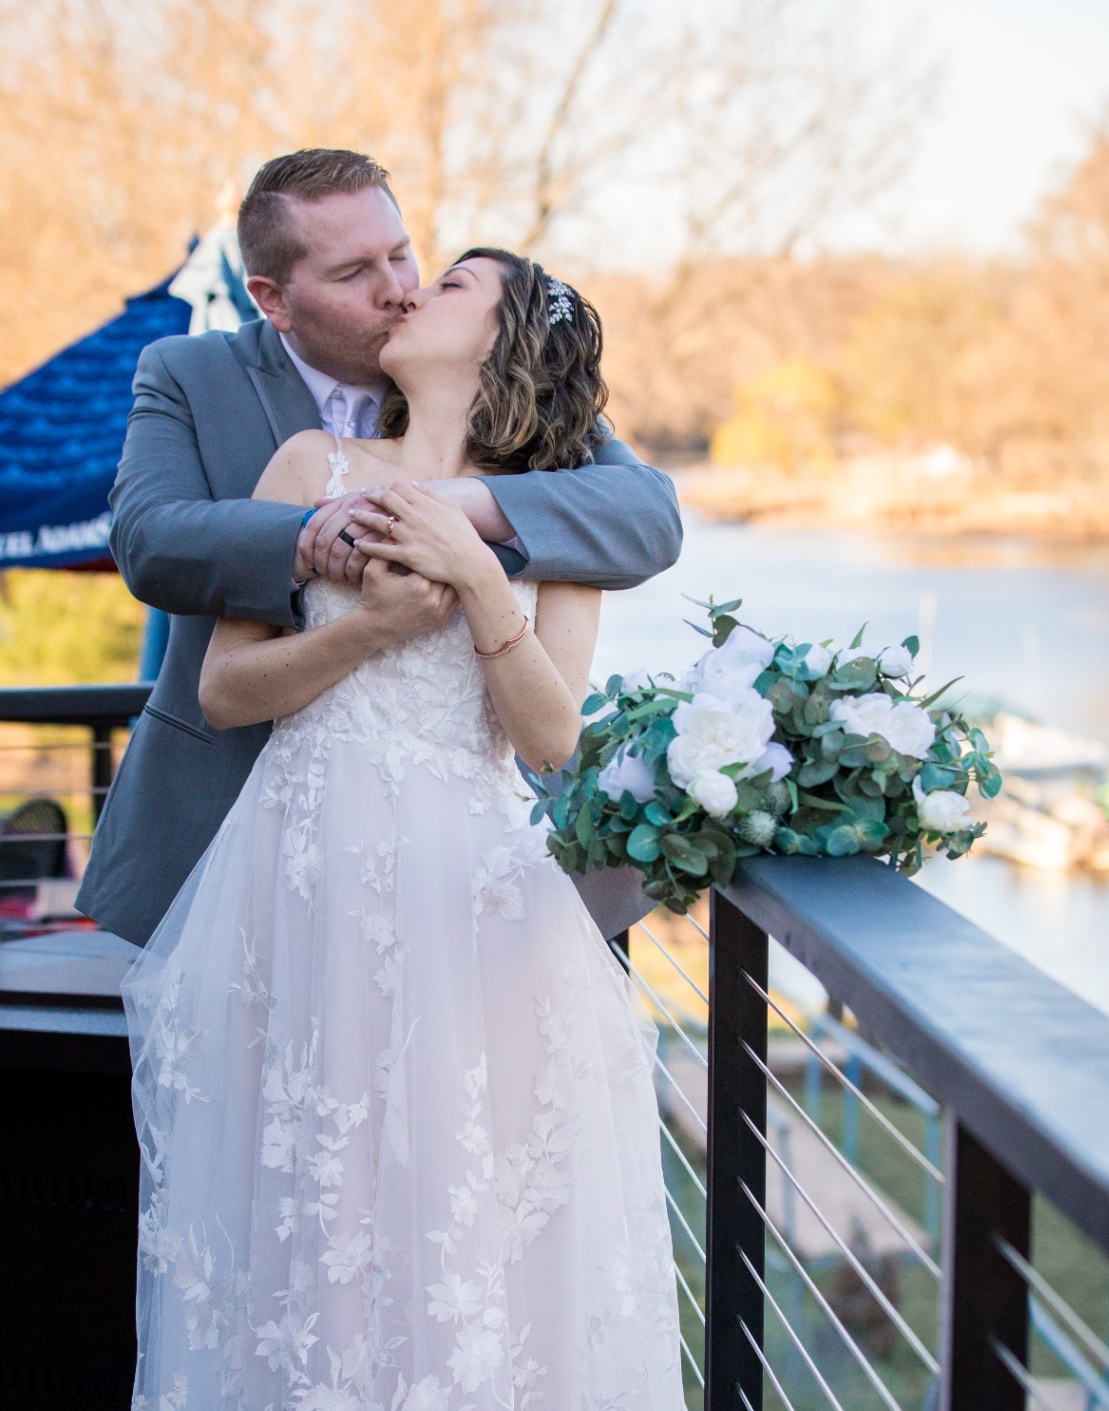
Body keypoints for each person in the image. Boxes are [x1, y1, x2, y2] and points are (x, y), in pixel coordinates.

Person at [44, 245, 714, 1411]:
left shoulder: (553, 504)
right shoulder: (304, 463)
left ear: (512, 335)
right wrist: (366, 619)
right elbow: (225, 688)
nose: (417, 292)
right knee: (308, 1263)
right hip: (301, 901)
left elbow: (550, 739)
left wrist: (478, 589)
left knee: (464, 1270)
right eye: (402, 271)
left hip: (470, 911)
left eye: (457, 279)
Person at [76, 148, 676, 949]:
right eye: (355, 271)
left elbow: (646, 518)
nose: (397, 287)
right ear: (273, 299)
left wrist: (453, 512)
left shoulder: (495, 381)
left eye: (401, 252)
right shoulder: (190, 373)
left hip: (464, 862)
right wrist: (321, 534)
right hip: (228, 828)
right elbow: (149, 540)